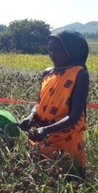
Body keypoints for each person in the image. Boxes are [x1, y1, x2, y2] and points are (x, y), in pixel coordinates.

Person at [19, 30, 89, 178]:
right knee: (39, 179)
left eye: (56, 50)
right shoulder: (47, 73)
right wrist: (30, 116)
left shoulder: (80, 74)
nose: (51, 54)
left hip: (66, 138)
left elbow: (75, 115)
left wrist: (47, 130)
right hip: (41, 137)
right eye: (49, 50)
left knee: (69, 180)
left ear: (70, 51)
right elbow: (40, 103)